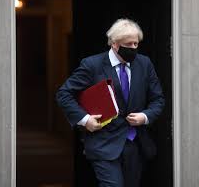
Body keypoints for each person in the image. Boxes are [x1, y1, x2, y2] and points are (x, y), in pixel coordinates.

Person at [56, 18, 165, 187]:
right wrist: (86, 120)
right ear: (114, 44)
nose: (134, 48)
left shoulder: (144, 64)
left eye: (137, 44)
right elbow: (64, 94)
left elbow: (158, 99)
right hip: (103, 144)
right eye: (129, 44)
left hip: (135, 144)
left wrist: (145, 116)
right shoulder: (92, 65)